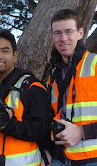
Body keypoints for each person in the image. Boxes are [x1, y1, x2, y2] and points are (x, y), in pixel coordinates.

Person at [0, 28, 52, 166]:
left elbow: (44, 130)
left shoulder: (32, 87)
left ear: (15, 55)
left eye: (5, 51)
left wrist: (10, 126)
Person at [48, 9, 97, 166]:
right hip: (60, 158)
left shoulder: (95, 64)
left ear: (80, 33)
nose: (63, 39)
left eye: (69, 32)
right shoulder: (53, 74)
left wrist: (82, 132)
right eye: (58, 33)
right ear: (52, 36)